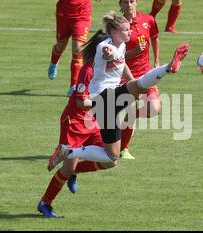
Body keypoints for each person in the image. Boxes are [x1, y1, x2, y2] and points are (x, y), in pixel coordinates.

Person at [48, 11, 189, 175]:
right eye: (125, 30)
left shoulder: (122, 45)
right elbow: (109, 53)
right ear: (114, 32)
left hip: (108, 103)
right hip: (102, 97)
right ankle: (167, 68)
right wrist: (110, 54)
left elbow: (121, 60)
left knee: (112, 156)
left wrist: (128, 75)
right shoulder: (105, 46)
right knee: (139, 86)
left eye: (129, 29)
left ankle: (68, 152)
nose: (130, 32)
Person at [38, 31, 118, 218]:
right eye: (108, 46)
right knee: (67, 168)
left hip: (94, 120)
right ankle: (45, 203)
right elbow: (81, 102)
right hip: (74, 122)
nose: (111, 50)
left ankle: (74, 171)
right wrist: (104, 99)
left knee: (111, 160)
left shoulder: (109, 67)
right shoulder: (88, 70)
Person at [119, 0, 161, 159]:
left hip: (146, 73)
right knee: (130, 108)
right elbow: (116, 56)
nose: (129, 5)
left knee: (154, 109)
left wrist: (156, 61)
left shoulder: (148, 20)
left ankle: (129, 117)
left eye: (132, 1)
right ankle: (124, 149)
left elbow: (155, 37)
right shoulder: (117, 26)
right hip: (125, 75)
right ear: (120, 4)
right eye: (125, 2)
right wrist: (135, 51)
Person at [47, 0, 101, 94]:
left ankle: (74, 86)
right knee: (60, 46)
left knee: (78, 49)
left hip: (82, 14)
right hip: (64, 13)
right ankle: (54, 62)